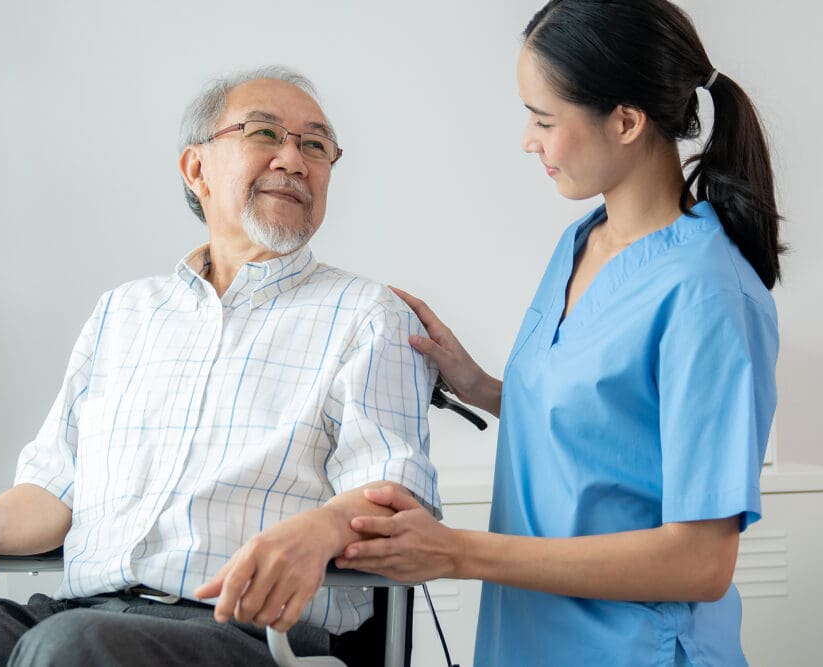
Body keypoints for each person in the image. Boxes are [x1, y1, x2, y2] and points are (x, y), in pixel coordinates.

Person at [0, 66, 440, 667]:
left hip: (246, 634)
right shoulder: (123, 311)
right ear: (196, 169)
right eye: (265, 134)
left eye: (315, 145)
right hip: (77, 612)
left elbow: (394, 495)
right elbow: (54, 487)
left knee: (71, 650)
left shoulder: (370, 314)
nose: (293, 159)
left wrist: (327, 526)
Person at [335, 1, 781, 664]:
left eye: (544, 119)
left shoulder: (706, 292)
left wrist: (456, 550)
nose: (528, 140)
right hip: (527, 641)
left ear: (626, 120)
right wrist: (478, 383)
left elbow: (699, 561)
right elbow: (607, 437)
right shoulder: (583, 242)